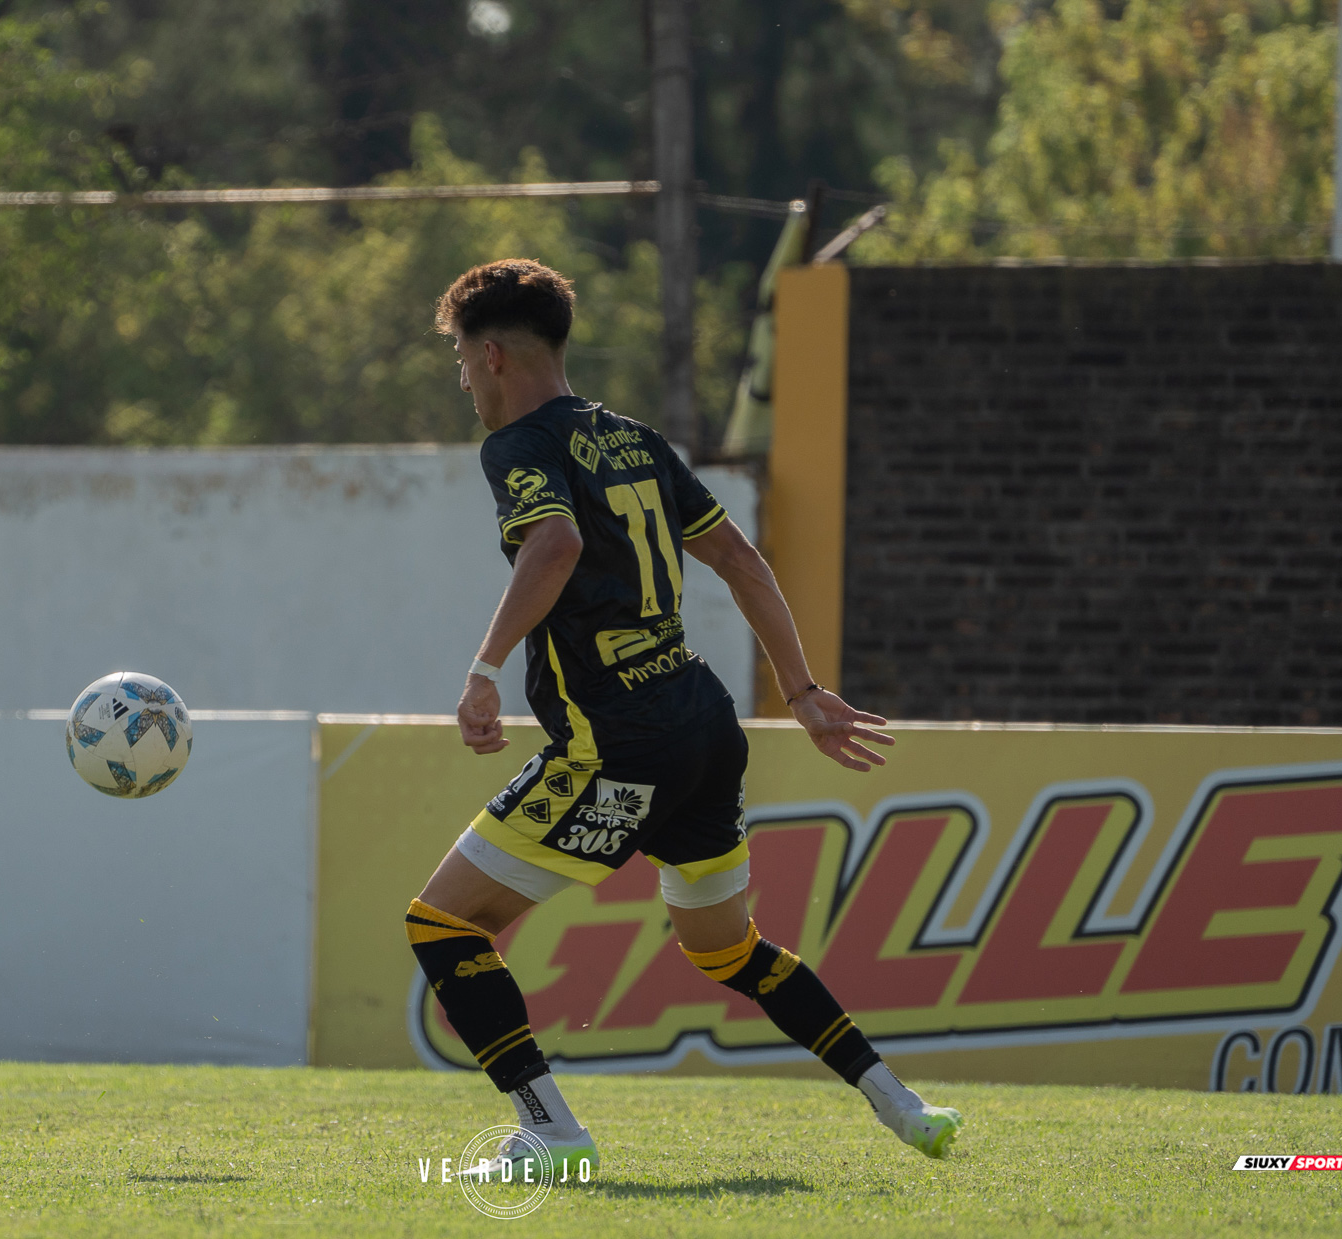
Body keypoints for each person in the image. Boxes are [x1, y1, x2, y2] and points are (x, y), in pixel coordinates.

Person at [406, 258, 962, 1179]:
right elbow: (739, 558)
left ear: (493, 353)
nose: (463, 380)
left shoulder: (518, 447)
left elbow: (555, 541)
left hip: (619, 737)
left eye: (462, 361)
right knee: (728, 949)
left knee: (443, 925)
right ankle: (902, 1106)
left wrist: (483, 671)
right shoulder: (634, 440)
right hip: (704, 722)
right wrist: (803, 690)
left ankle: (550, 1131)